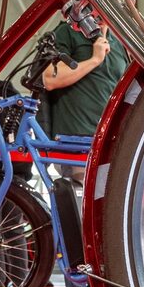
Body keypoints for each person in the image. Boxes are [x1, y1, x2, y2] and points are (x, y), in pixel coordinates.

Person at [41, 20, 128, 181]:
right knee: (86, 194)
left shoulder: (119, 43)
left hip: (110, 144)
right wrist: (94, 60)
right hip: (76, 145)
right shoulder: (67, 32)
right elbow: (50, 78)